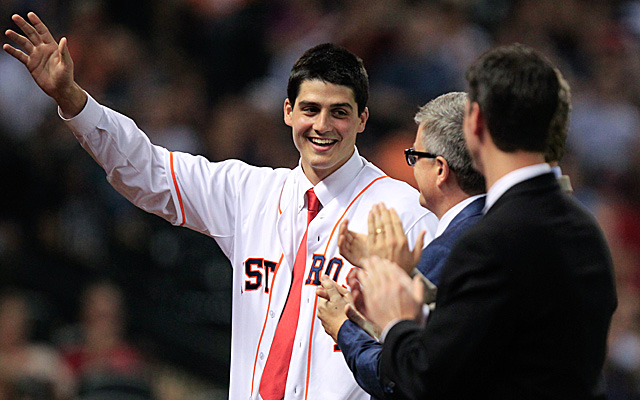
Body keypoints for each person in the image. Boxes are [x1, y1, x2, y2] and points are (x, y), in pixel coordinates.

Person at [3, 12, 437, 400]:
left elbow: (428, 354)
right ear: (287, 112)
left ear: (363, 118)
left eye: (339, 112)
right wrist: (73, 100)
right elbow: (148, 169)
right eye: (310, 109)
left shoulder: (402, 212)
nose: (322, 126)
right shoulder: (249, 191)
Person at [348, 44, 617, 399]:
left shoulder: (489, 241)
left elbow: (427, 379)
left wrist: (396, 321)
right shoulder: (587, 229)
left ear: (475, 122)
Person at [317, 91, 486, 399]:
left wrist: (343, 327)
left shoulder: (450, 253)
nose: (410, 166)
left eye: (415, 156)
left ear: (439, 170)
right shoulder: (508, 231)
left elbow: (401, 378)